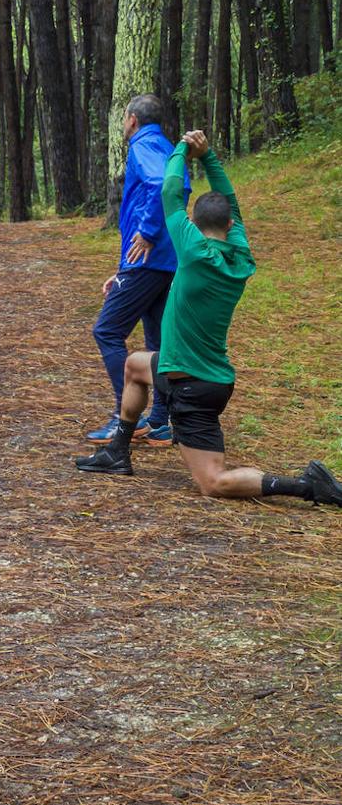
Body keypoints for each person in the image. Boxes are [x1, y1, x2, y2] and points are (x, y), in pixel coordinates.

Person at [76, 130, 342, 509]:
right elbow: (231, 202)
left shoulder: (194, 252)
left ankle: (306, 486)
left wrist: (183, 149)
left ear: (194, 225)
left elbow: (169, 193)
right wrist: (209, 157)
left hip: (194, 388)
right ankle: (118, 452)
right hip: (195, 372)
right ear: (231, 227)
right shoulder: (241, 259)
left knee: (213, 483)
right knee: (136, 366)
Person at [85, 94, 189, 446]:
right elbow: (178, 186)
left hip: (147, 258)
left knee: (107, 330)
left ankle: (125, 416)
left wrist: (146, 232)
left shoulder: (143, 146)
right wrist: (121, 268)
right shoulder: (168, 146)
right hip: (165, 261)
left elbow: (161, 186)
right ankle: (161, 420)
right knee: (158, 341)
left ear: (131, 120)